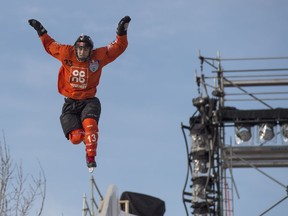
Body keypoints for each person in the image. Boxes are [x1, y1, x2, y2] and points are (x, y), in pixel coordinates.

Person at [28, 16, 131, 172]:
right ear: (75, 48)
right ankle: (85, 137)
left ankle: (91, 158)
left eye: (86, 49)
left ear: (90, 51)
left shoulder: (98, 57)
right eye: (80, 49)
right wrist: (40, 30)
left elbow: (119, 47)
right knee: (76, 138)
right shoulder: (65, 53)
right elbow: (50, 45)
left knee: (91, 125)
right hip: (70, 103)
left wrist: (121, 31)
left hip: (89, 101)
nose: (82, 52)